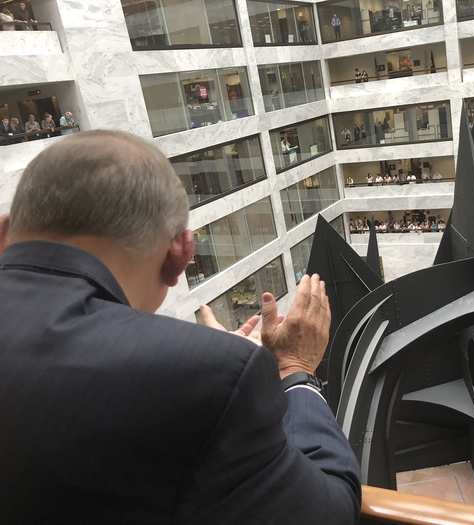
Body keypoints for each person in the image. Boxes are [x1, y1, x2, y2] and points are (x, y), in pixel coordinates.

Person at [0, 131, 361, 523]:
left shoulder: (201, 370)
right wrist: (293, 369)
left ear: (5, 232)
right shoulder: (206, 374)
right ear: (180, 254)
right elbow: (330, 513)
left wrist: (202, 361)